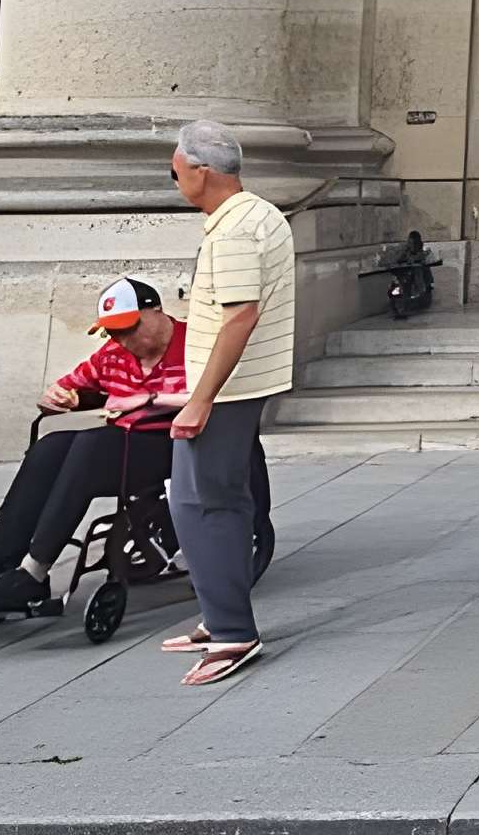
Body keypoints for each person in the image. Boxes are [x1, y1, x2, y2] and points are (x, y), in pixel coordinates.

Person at [0, 279, 189, 620]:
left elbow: (214, 393)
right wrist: (58, 397)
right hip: (119, 449)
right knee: (51, 446)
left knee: (91, 444)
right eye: (112, 333)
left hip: (174, 446)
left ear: (156, 312)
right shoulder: (114, 353)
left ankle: (34, 571)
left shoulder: (193, 343)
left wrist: (147, 399)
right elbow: (67, 386)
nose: (122, 340)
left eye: (129, 329)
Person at [154, 120, 293, 685]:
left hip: (227, 388)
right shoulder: (259, 214)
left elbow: (240, 315)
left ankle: (233, 631)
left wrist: (199, 399)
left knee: (198, 505)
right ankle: (221, 618)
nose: (175, 178)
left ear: (200, 170)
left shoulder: (234, 229)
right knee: (225, 503)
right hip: (243, 383)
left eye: (175, 169)